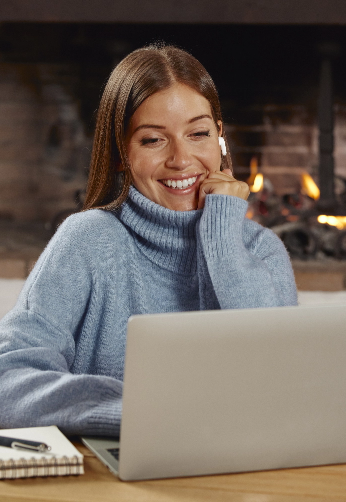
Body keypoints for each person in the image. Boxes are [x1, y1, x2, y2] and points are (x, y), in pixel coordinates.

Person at [0, 45, 297, 436]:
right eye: (154, 140)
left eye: (198, 134)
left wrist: (224, 239)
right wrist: (138, 412)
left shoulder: (261, 251)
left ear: (220, 139)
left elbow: (283, 384)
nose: (181, 159)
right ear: (122, 153)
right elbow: (8, 379)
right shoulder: (88, 242)